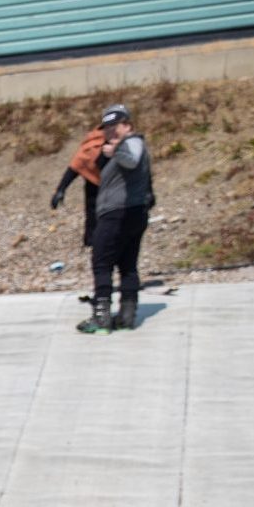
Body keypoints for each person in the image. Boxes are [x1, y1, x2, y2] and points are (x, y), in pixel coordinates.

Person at [81, 104, 154, 335]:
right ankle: (127, 315)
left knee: (101, 261)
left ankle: (101, 316)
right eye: (107, 127)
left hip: (119, 213)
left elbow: (130, 159)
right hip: (132, 213)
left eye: (115, 126)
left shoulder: (131, 143)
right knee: (127, 265)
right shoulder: (119, 146)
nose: (110, 131)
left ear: (127, 126)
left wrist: (116, 152)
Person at [51, 117, 106, 256]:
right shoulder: (92, 144)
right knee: (92, 213)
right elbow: (75, 166)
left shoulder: (122, 140)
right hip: (94, 184)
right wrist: (61, 189)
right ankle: (91, 242)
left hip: (114, 185)